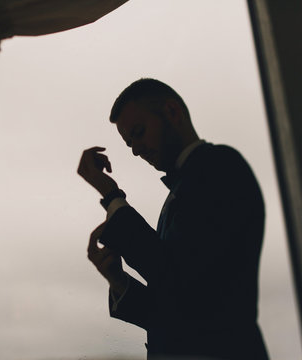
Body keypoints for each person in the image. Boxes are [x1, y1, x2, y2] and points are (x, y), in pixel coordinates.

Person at [78, 78, 269, 360]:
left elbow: (176, 279)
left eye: (139, 132)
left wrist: (110, 194)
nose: (135, 149)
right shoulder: (183, 192)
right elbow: (182, 307)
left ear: (172, 112)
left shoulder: (220, 168)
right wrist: (119, 282)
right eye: (129, 143)